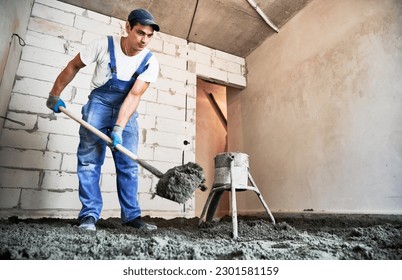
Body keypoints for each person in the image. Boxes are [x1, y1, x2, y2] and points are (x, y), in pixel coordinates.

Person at [46, 8, 160, 231]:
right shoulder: (103, 45)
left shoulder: (149, 62)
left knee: (128, 165)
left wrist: (119, 127)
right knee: (89, 161)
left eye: (149, 35)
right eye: (139, 33)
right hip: (98, 106)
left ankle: (131, 217)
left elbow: (134, 95)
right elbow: (73, 66)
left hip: (126, 110)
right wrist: (55, 94)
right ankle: (89, 215)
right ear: (127, 27)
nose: (144, 40)